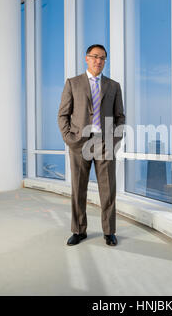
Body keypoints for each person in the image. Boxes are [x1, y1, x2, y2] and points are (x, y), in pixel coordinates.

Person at [58, 44, 125, 246]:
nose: (99, 61)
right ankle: (78, 230)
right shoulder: (73, 83)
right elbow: (63, 115)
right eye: (95, 57)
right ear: (86, 58)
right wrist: (69, 138)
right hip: (79, 143)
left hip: (105, 144)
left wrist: (113, 140)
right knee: (78, 189)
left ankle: (109, 231)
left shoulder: (113, 86)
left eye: (103, 58)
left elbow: (120, 118)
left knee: (108, 190)